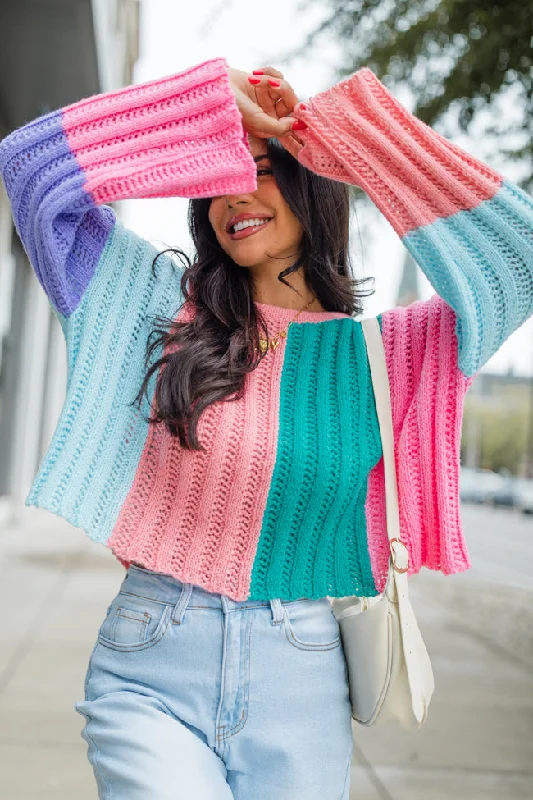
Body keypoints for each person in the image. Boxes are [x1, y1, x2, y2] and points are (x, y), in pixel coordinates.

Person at [0, 56, 532, 799]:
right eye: (213, 176)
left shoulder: (394, 353)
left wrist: (357, 138)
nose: (233, 195)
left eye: (263, 167)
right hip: (152, 661)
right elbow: (30, 169)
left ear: (316, 179)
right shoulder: (153, 306)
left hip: (304, 677)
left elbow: (518, 259)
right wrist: (208, 110)